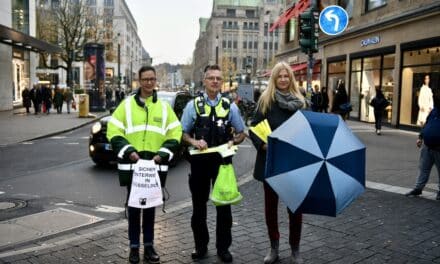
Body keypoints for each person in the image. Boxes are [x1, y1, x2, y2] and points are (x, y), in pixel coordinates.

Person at [106, 65, 182, 264]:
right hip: (133, 166)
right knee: (134, 209)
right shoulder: (127, 104)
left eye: (152, 79)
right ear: (139, 81)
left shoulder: (164, 107)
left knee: (149, 209)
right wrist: (129, 152)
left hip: (154, 167)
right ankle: (133, 248)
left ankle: (148, 246)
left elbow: (176, 133)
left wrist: (162, 155)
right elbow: (113, 130)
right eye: (146, 79)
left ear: (155, 81)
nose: (149, 82)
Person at [180, 64, 246, 263]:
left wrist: (233, 140)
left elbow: (242, 132)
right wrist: (193, 141)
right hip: (199, 164)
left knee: (224, 208)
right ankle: (200, 247)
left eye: (218, 78)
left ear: (221, 81)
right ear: (205, 80)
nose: (215, 81)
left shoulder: (230, 106)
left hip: (223, 164)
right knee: (199, 208)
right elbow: (182, 133)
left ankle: (223, 248)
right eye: (211, 78)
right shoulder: (193, 105)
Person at [249, 61, 307, 264]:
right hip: (271, 161)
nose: (283, 79)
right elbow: (253, 127)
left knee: (295, 208)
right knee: (270, 208)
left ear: (291, 78)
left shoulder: (301, 102)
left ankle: (295, 249)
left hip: (294, 162)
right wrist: (262, 145)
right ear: (274, 79)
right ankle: (274, 248)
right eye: (279, 76)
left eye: (286, 76)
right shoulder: (266, 101)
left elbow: (309, 129)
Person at [405, 88, 440, 200]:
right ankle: (418, 188)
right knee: (423, 168)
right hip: (427, 146)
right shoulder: (434, 111)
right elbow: (427, 125)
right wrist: (420, 137)